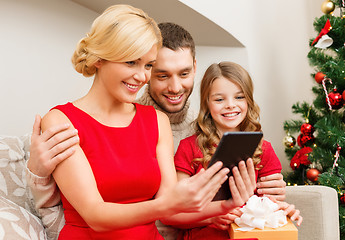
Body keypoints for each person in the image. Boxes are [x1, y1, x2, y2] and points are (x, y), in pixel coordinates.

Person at [26, 21, 286, 239]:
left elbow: (176, 205)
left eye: (147, 66)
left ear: (195, 67)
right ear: (99, 59)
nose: (141, 76)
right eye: (160, 74)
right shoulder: (63, 120)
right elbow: (92, 214)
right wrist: (38, 173)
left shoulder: (181, 124)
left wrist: (255, 202)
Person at [173, 61, 303, 239]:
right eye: (219, 99)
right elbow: (174, 215)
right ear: (207, 104)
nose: (230, 105)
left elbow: (268, 205)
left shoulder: (264, 149)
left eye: (239, 97)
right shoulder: (189, 147)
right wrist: (211, 216)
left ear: (249, 100)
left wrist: (282, 210)